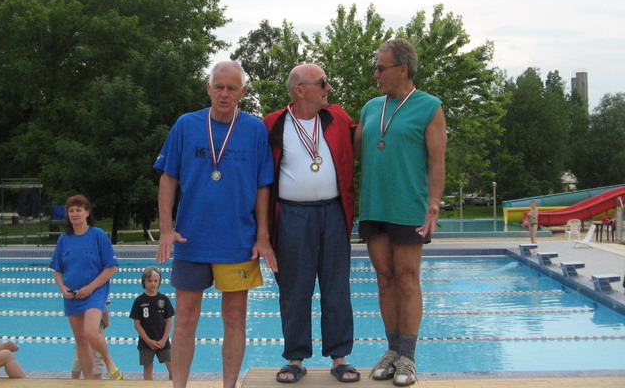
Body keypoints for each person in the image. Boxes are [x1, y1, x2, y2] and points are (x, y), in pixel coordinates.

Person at [154, 60, 278, 388]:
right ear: (208, 88)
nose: (224, 94)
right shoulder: (186, 125)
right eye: (219, 87)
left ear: (243, 92)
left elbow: (263, 186)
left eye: (232, 88)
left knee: (234, 319)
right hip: (190, 239)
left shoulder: (254, 129)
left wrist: (262, 236)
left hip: (237, 240)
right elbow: (167, 178)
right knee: (185, 319)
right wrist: (166, 229)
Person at [354, 38, 446, 386]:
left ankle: (408, 357)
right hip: (374, 205)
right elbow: (351, 151)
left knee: (407, 279)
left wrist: (433, 203)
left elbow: (437, 162)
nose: (375, 74)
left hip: (408, 206)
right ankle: (392, 351)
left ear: (402, 69)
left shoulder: (430, 106)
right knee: (385, 278)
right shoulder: (370, 107)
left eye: (381, 68)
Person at [264, 64, 360, 383]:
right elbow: (261, 177)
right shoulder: (274, 123)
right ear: (300, 90)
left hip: (333, 213)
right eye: (322, 83)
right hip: (291, 216)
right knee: (294, 289)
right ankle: (295, 358)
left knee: (337, 287)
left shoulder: (337, 117)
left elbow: (365, 140)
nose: (328, 88)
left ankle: (339, 357)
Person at [49, 194, 122, 381]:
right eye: (71, 211)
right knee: (80, 339)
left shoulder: (98, 235)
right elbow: (57, 271)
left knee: (90, 332)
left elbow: (111, 268)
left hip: (94, 292)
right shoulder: (64, 239)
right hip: (72, 295)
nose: (74, 214)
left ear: (87, 213)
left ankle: (109, 361)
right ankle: (89, 381)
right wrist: (62, 288)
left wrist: (90, 288)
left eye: (78, 210)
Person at [130, 266, 174, 380]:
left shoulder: (164, 299)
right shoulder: (139, 300)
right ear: (144, 282)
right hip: (145, 342)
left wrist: (164, 339)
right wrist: (148, 340)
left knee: (173, 369)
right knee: (148, 370)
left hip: (162, 341)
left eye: (155, 281)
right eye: (149, 281)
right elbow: (137, 324)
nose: (152, 284)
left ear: (159, 282)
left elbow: (169, 320)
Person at [72, 300, 110, 379]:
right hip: (95, 325)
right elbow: (103, 307)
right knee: (97, 360)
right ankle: (96, 384)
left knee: (79, 356)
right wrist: (106, 322)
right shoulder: (98, 293)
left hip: (80, 324)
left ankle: (74, 382)